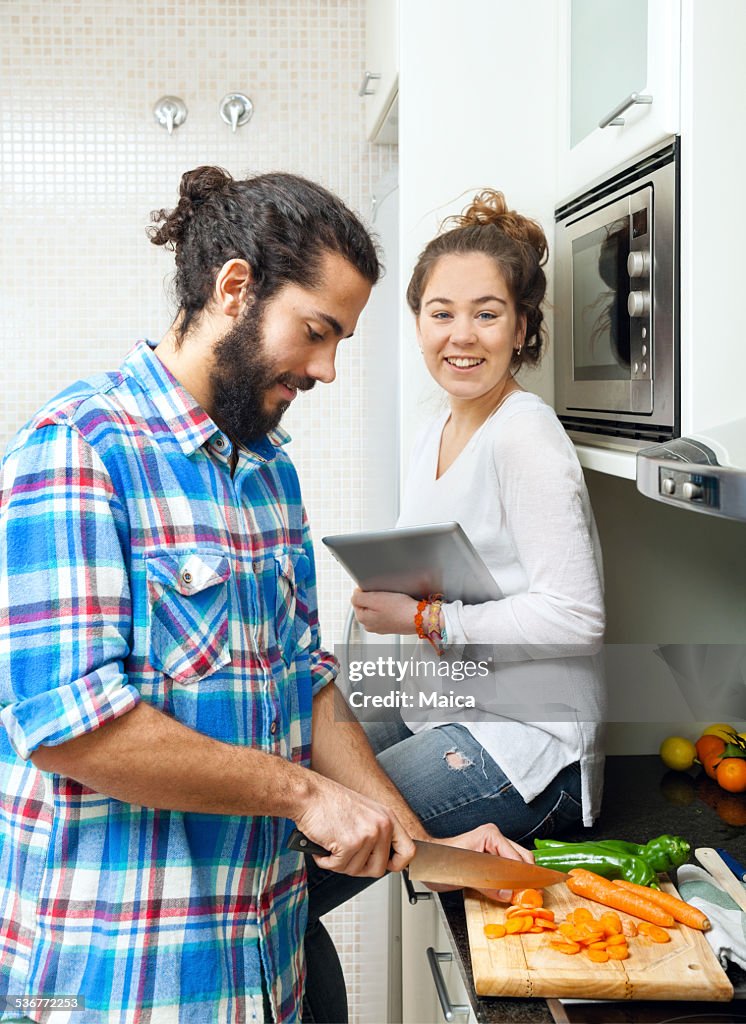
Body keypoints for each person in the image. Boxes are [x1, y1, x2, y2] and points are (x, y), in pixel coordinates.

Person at [0, 167, 530, 1024]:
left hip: (263, 962)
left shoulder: (270, 472)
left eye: (340, 343)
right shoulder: (77, 451)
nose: (324, 368)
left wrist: (422, 845)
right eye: (316, 332)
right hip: (127, 979)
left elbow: (307, 682)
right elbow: (73, 730)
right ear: (235, 288)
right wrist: (308, 795)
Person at [305, 190, 606, 1012]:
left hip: (525, 745)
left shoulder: (527, 436)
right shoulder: (436, 428)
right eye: (441, 313)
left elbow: (577, 617)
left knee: (282, 885)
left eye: (486, 313)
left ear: (521, 326)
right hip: (446, 707)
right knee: (282, 808)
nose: (460, 336)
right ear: (416, 322)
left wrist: (426, 618)